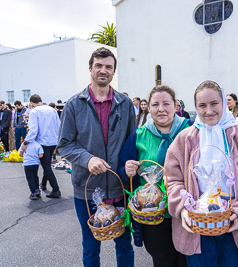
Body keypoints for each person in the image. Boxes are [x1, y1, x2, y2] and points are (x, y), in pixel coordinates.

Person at [165, 80, 238, 266]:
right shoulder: (185, 139)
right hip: (196, 226)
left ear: (224, 103)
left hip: (233, 227)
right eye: (202, 105)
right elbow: (172, 180)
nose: (208, 110)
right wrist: (183, 208)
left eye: (214, 103)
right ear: (195, 107)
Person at [57, 47, 136, 267]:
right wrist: (87, 158)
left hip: (120, 188)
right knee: (91, 247)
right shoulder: (74, 105)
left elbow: (132, 142)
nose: (103, 70)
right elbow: (64, 144)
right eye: (99, 66)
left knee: (124, 245)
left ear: (113, 71)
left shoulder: (126, 104)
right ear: (90, 68)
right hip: (87, 190)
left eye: (108, 67)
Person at [118, 85, 193, 267]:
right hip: (153, 213)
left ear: (176, 106)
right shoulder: (139, 135)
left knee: (187, 260)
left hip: (186, 209)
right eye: (155, 104)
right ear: (148, 108)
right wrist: (126, 169)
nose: (160, 109)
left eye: (166, 104)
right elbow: (122, 170)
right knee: (162, 260)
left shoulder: (191, 130)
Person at [21, 94, 61, 198]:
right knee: (46, 164)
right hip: (53, 141)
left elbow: (33, 130)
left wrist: (25, 142)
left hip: (42, 141)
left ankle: (56, 189)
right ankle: (43, 184)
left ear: (31, 103)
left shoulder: (34, 111)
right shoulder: (52, 110)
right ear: (41, 100)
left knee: (46, 166)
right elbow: (59, 125)